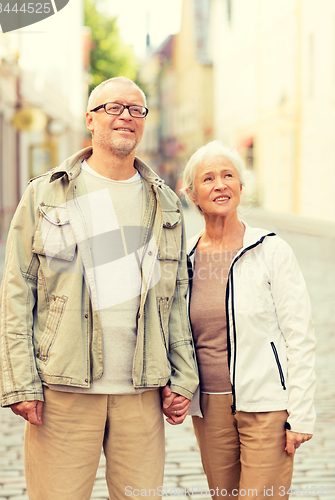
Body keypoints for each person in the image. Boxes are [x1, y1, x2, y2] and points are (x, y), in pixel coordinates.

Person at [0, 76, 198, 500]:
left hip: (141, 394)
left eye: (136, 109)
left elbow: (176, 295)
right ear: (91, 119)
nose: (126, 116)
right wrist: (20, 383)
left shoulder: (164, 202)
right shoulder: (46, 194)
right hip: (64, 392)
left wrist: (183, 376)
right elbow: (18, 290)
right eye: (114, 107)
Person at [163, 141, 316, 499]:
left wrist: (302, 413)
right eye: (209, 178)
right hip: (210, 409)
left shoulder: (270, 250)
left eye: (228, 175)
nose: (220, 185)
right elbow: (173, 333)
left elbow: (301, 336)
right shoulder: (183, 257)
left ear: (241, 187)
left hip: (267, 405)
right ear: (192, 194)